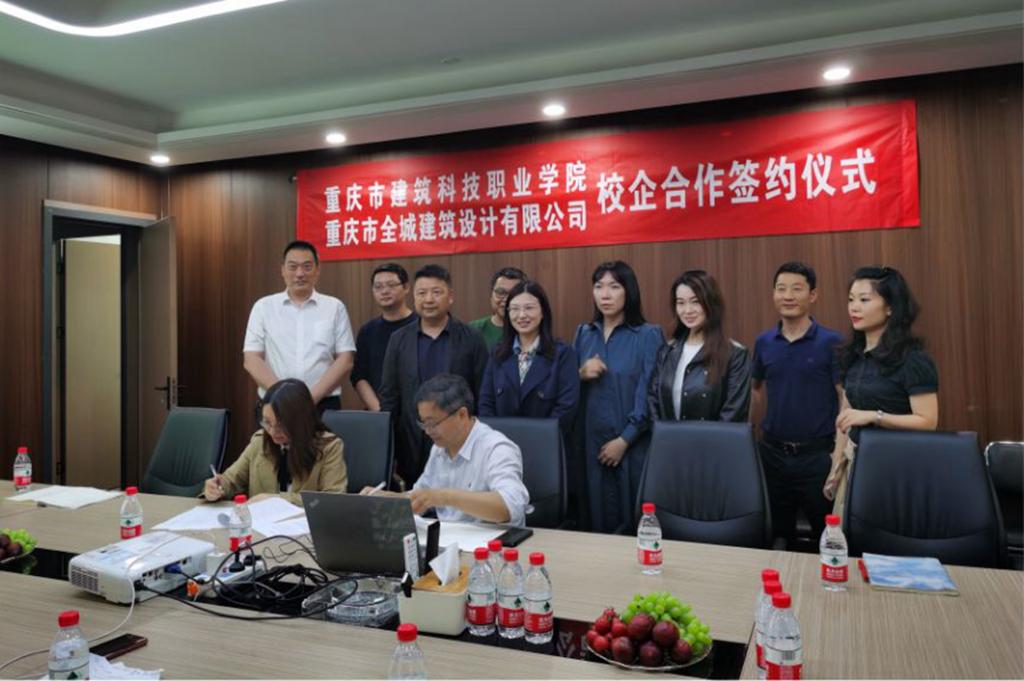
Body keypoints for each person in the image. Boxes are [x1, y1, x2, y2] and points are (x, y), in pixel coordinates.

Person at [824, 266, 939, 517]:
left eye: (864, 300)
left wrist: (874, 416)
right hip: (856, 461)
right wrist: (835, 467)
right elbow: (846, 417)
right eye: (851, 300)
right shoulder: (852, 356)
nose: (854, 307)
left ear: (890, 307)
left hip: (898, 466)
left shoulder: (913, 359)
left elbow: (928, 421)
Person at [750, 262, 843, 547]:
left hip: (818, 457)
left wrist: (837, 457)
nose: (788, 296)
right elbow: (755, 391)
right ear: (773, 294)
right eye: (781, 289)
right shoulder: (764, 342)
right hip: (773, 456)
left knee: (827, 537)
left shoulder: (832, 342)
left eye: (796, 289)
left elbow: (845, 398)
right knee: (776, 536)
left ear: (812, 295)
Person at [362, 373, 529, 527]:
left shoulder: (496, 448)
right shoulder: (439, 448)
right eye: (423, 424)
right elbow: (421, 497)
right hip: (449, 540)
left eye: (433, 423)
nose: (428, 431)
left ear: (462, 414)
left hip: (494, 544)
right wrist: (386, 499)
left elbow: (510, 507)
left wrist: (445, 497)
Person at [573, 261, 664, 534]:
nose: (605, 294)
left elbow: (650, 393)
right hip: (590, 444)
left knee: (632, 521)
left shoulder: (648, 334)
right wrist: (580, 373)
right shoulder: (584, 333)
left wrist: (625, 440)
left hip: (632, 445)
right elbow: (566, 390)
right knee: (593, 523)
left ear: (629, 291)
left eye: (614, 287)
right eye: (599, 286)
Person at [379, 264, 489, 488]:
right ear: (414, 296)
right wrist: (389, 448)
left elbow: (482, 394)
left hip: (459, 442)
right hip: (411, 442)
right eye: (422, 293)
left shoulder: (472, 338)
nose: (428, 299)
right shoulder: (399, 339)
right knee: (416, 501)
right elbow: (389, 396)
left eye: (436, 292)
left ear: (450, 296)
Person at [243, 241, 356, 413]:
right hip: (274, 405)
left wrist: (310, 399)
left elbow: (345, 359)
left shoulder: (334, 307)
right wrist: (283, 397)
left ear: (318, 270)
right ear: (283, 270)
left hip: (323, 403)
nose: (300, 273)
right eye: (293, 267)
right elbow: (251, 359)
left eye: (307, 267)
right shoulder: (263, 307)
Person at [203, 379, 347, 506]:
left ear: (300, 422)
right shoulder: (260, 441)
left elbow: (332, 500)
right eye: (267, 422)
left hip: (304, 527)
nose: (272, 432)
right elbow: (231, 481)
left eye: (280, 425)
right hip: (262, 526)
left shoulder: (329, 446)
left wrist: (276, 500)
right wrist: (215, 488)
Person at [648, 270, 750, 423]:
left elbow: (733, 414)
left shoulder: (735, 354)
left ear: (711, 303)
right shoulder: (667, 351)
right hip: (668, 438)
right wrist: (663, 433)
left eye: (695, 301)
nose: (687, 310)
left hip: (714, 439)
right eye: (681, 303)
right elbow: (653, 400)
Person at [479, 280, 580, 432]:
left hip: (546, 441)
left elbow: (567, 406)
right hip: (501, 442)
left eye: (529, 308)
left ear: (543, 312)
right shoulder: (498, 353)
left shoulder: (562, 354)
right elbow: (486, 403)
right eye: (514, 309)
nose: (521, 315)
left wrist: (537, 436)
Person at [351, 263, 417, 411]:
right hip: (379, 412)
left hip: (418, 413)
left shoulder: (421, 326)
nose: (385, 291)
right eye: (378, 287)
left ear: (406, 287)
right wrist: (380, 412)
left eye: (391, 285)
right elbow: (359, 376)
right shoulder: (367, 331)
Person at [468, 267, 526, 350]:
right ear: (491, 295)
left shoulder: (529, 329)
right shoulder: (473, 330)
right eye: (501, 292)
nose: (506, 299)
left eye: (514, 293)